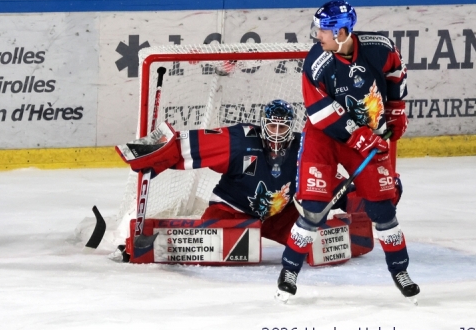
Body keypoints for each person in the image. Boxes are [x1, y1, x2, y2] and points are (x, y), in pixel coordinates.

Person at [117, 100, 402, 261]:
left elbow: (331, 183)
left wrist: (365, 192)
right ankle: (156, 243)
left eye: (283, 126)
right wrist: (153, 154)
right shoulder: (241, 140)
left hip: (281, 215)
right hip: (231, 211)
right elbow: (193, 146)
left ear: (291, 128)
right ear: (263, 124)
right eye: (272, 125)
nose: (277, 132)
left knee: (318, 247)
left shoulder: (305, 148)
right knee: (211, 248)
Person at [276, 0, 418, 303]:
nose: (318, 36)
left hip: (368, 134)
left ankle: (400, 271)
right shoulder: (317, 63)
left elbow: (396, 74)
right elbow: (321, 114)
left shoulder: (379, 47)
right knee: (313, 210)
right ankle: (289, 270)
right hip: (325, 136)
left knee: (383, 210)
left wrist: (396, 109)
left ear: (342, 32)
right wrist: (362, 138)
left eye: (324, 31)